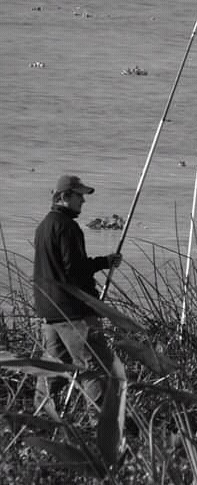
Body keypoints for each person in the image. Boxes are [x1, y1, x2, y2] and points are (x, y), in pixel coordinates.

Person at [33, 174, 123, 419]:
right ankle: (103, 422)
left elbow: (57, 269)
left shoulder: (44, 226)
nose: (83, 201)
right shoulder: (67, 227)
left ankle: (40, 416)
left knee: (55, 368)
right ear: (63, 197)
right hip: (72, 311)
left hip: (49, 310)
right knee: (95, 365)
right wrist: (103, 262)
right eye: (79, 195)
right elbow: (73, 271)